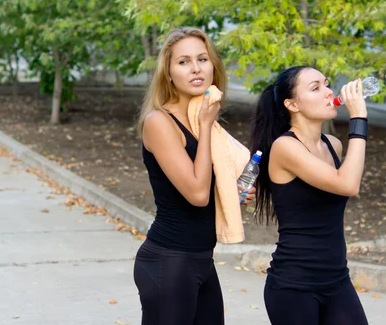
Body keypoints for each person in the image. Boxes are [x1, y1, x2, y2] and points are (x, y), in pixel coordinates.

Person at [134, 27, 255, 325]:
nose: (196, 68)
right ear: (169, 73)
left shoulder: (204, 123)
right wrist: (205, 124)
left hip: (201, 261)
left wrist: (234, 193)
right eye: (184, 62)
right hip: (168, 261)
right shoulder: (159, 122)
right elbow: (197, 195)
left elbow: (209, 189)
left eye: (202, 59)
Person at [250, 66, 370, 325]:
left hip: (337, 281)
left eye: (327, 85)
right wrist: (358, 117)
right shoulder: (285, 147)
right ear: (292, 104)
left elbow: (348, 180)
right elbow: (348, 184)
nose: (329, 92)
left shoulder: (332, 144)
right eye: (315, 88)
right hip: (294, 287)